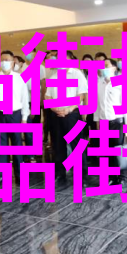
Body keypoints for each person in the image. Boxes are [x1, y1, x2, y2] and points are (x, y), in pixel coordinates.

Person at [45, 51, 88, 188]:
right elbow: (47, 96)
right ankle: (60, 174)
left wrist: (69, 109)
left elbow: (81, 95)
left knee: (77, 146)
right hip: (56, 114)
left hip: (72, 114)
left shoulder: (77, 74)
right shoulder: (53, 76)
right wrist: (54, 109)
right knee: (58, 145)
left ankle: (81, 176)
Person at [0, 50, 30, 187]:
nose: (4, 62)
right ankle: (1, 176)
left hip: (14, 114)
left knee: (17, 145)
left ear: (12, 63)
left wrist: (24, 118)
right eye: (2, 60)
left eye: (7, 60)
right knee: (0, 146)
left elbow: (24, 99)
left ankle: (19, 175)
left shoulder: (19, 78)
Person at [94, 58, 127, 186]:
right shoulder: (99, 83)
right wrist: (97, 121)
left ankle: (122, 176)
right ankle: (110, 176)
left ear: (114, 68)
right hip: (103, 122)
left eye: (106, 65)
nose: (103, 68)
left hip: (117, 121)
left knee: (119, 149)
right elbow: (97, 104)